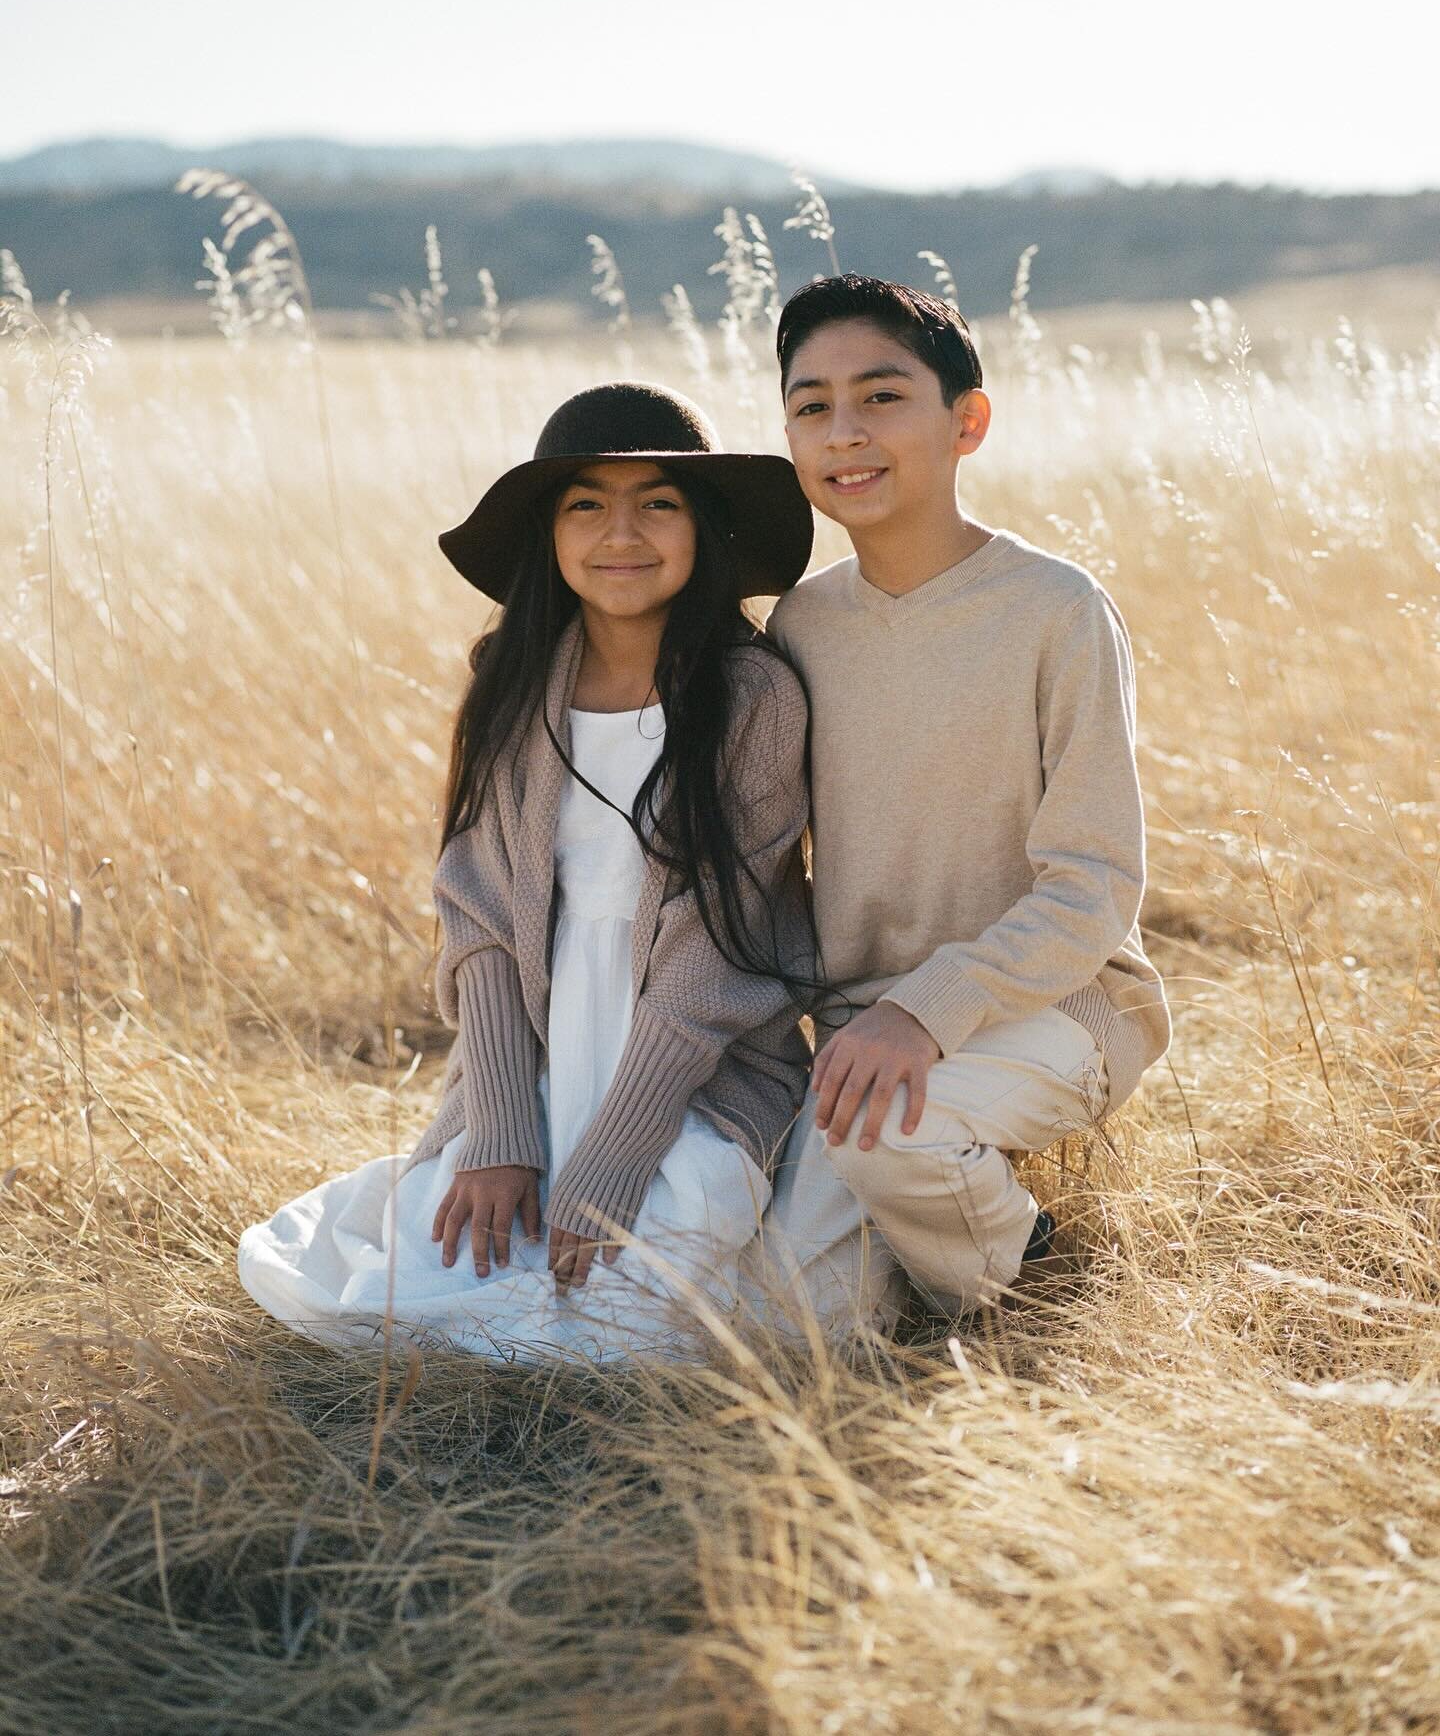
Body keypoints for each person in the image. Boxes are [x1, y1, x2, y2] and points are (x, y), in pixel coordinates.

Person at [238, 381, 819, 1365]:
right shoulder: (514, 686)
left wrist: (622, 1151)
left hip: (689, 1077)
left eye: (659, 503)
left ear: (704, 527)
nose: (620, 532)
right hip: (540, 1062)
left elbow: (715, 960)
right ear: (550, 532)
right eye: (585, 503)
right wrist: (503, 1132)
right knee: (418, 1284)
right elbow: (478, 918)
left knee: (624, 1320)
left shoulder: (752, 696)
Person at [743, 275, 1172, 1332]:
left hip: (1057, 1007)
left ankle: (1021, 1290)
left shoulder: (1054, 610)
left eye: (882, 396)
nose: (846, 432)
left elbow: (1093, 886)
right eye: (811, 406)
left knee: (890, 1142)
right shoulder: (801, 628)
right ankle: (955, 1235)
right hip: (864, 1035)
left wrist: (921, 1010)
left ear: (965, 421)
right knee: (786, 1329)